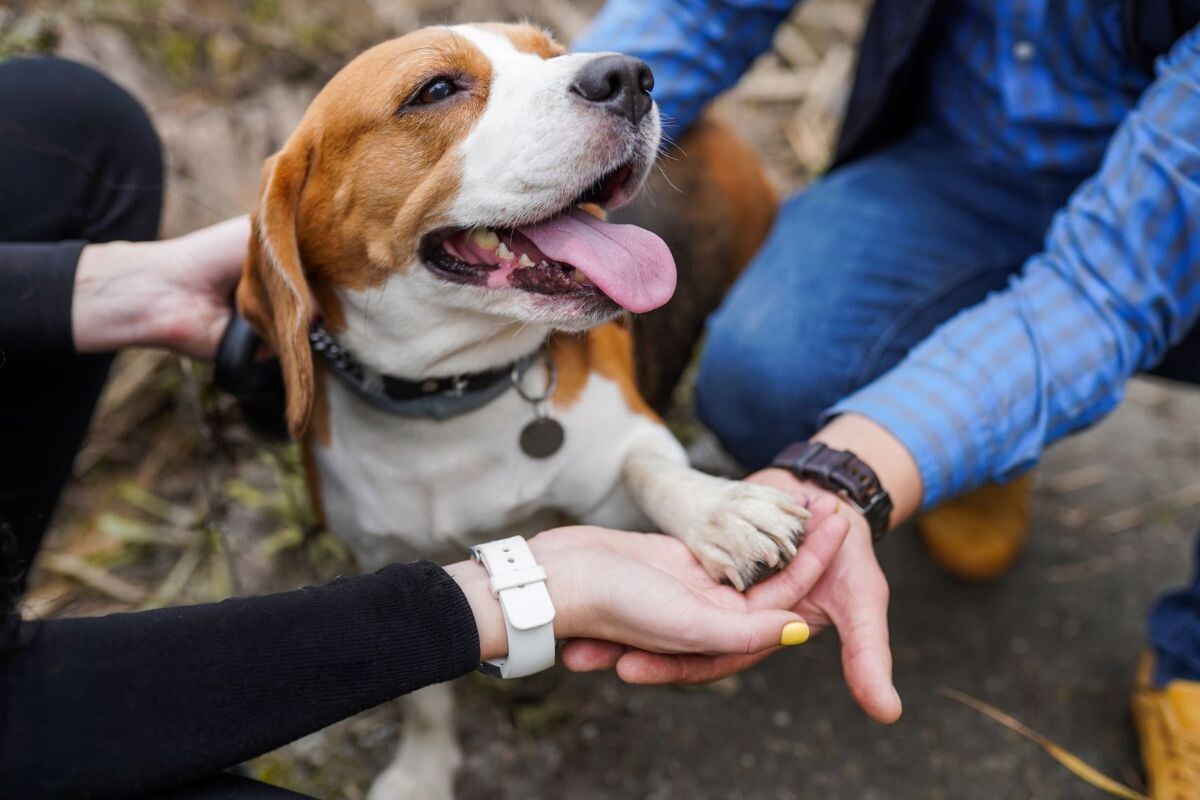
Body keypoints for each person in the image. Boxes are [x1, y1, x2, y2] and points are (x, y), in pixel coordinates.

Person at [0, 56, 853, 799]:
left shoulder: (606, 292)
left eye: (538, 63)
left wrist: (677, 490)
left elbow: (633, 449)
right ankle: (430, 737)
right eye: (439, 90)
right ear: (307, 220)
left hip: (709, 228)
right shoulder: (318, 377)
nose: (615, 75)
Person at [571, 0, 1200, 794]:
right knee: (767, 373)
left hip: (1176, 231)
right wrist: (553, 138)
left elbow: (1106, 288)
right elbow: (707, 11)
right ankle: (975, 450)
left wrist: (847, 473)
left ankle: (1194, 662)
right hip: (959, 171)